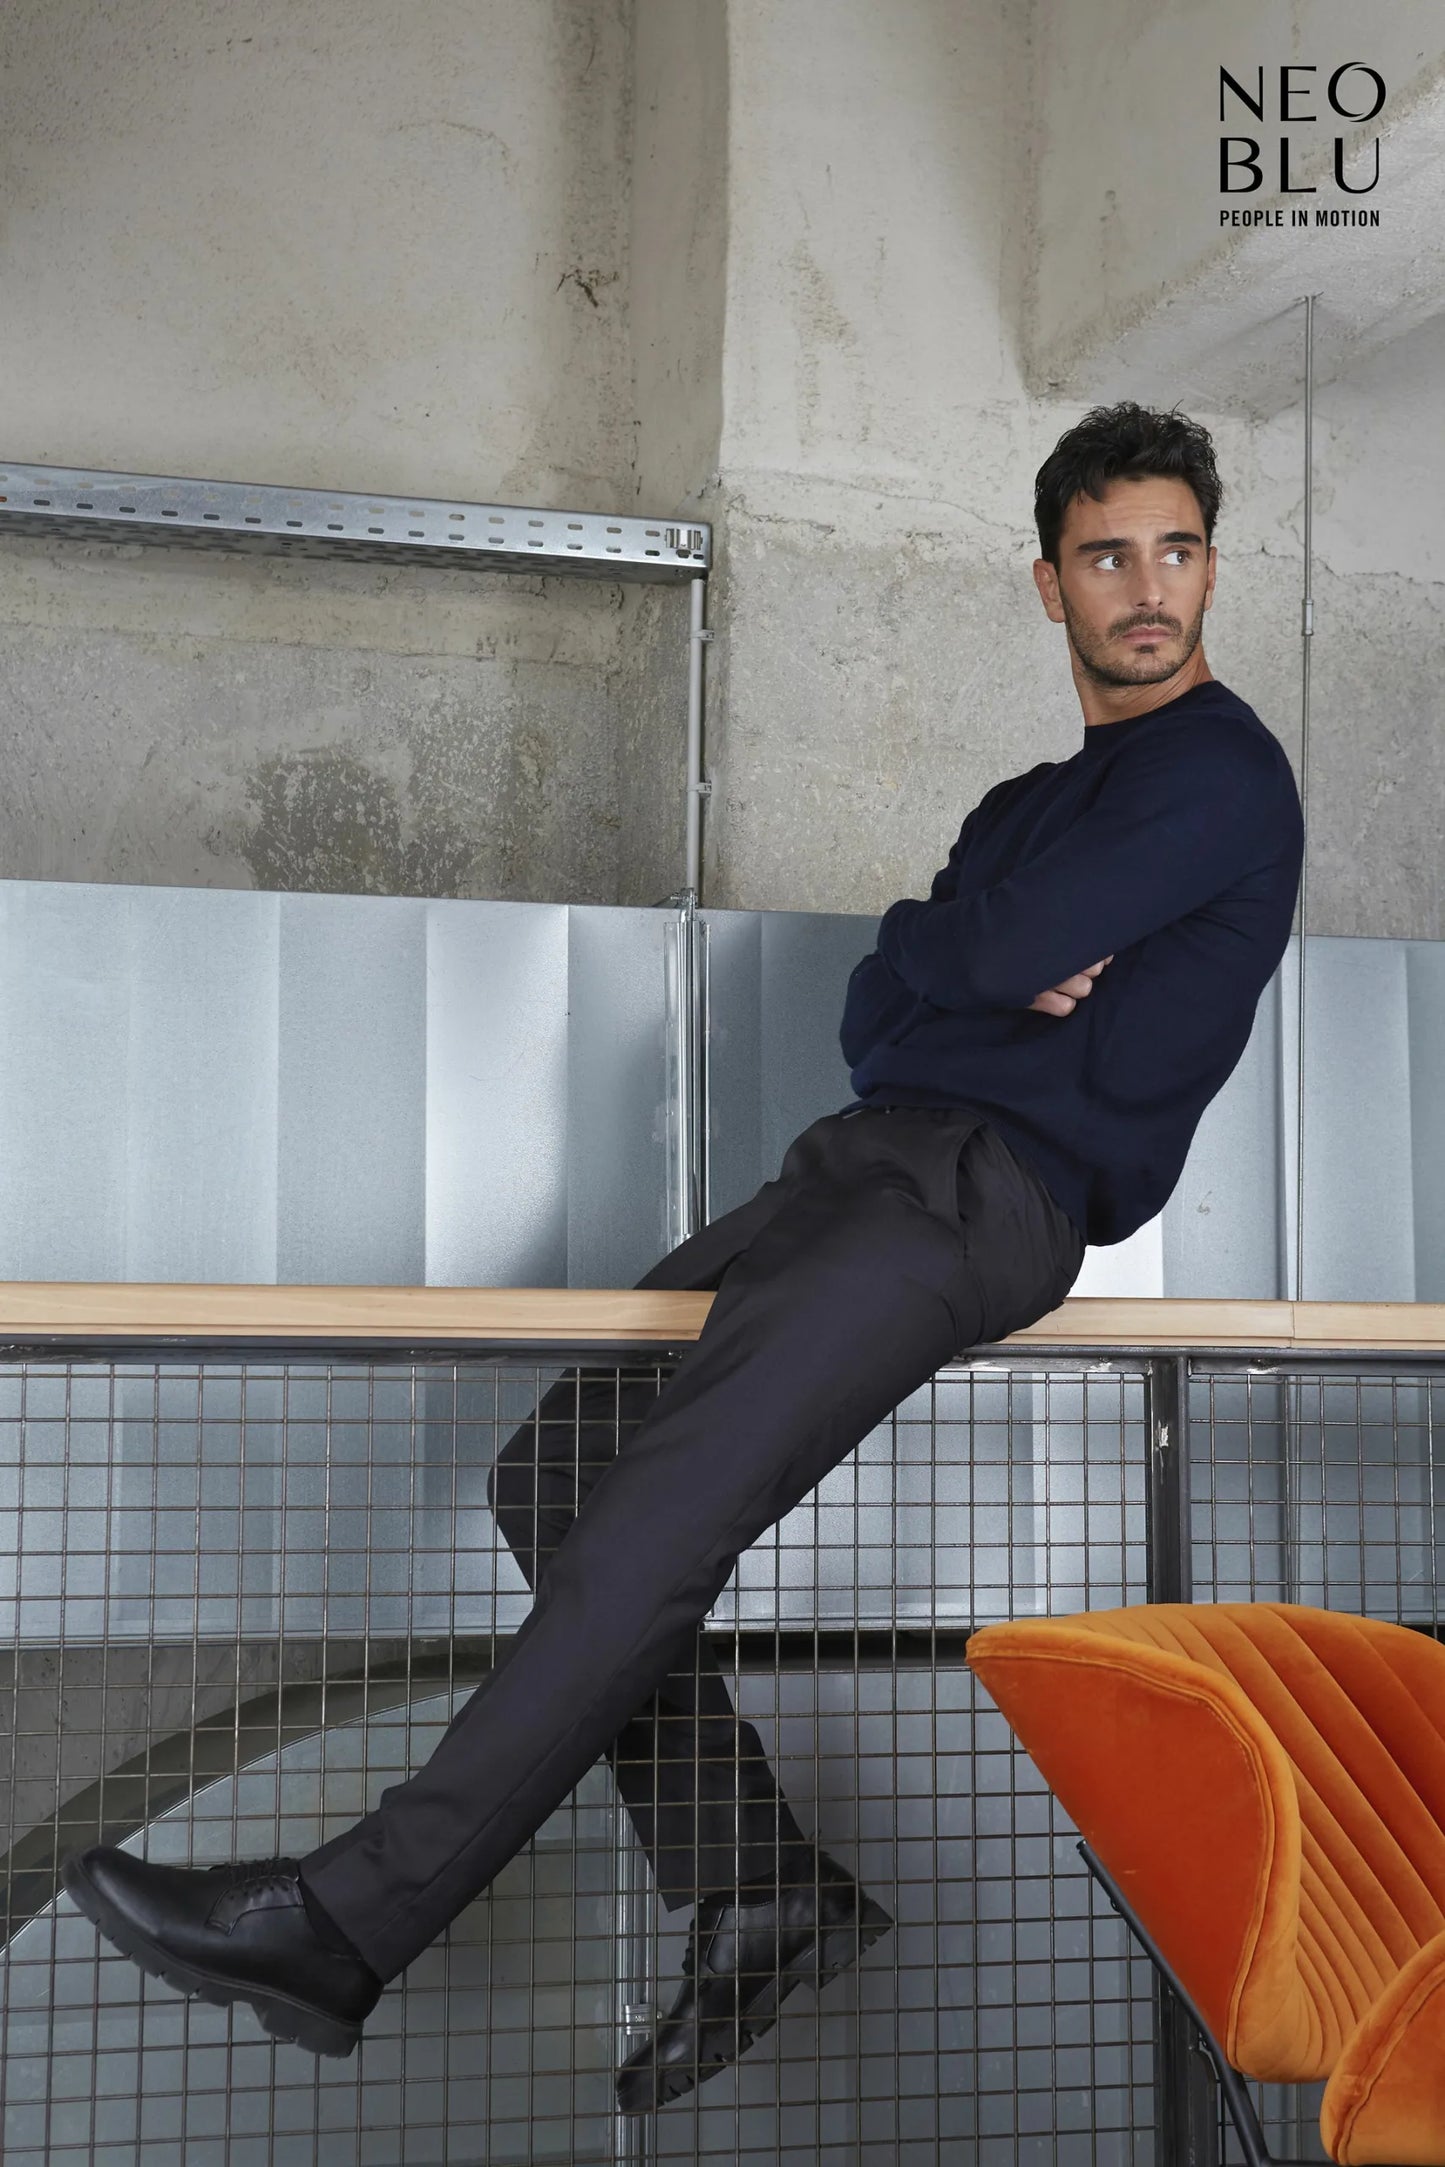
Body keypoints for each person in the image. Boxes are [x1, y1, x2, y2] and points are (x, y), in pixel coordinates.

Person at [60, 401, 1305, 2114]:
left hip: (981, 1192)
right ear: (1049, 585)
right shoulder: (1031, 802)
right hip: (859, 1163)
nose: (1145, 588)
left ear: (1210, 570)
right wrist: (949, 949)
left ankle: (342, 1922)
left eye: (1174, 551)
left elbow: (971, 958)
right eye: (1107, 556)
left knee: (658, 1515)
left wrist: (962, 955)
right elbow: (883, 1008)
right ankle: (757, 1882)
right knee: (560, 1471)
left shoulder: (1219, 774)